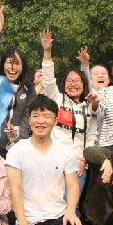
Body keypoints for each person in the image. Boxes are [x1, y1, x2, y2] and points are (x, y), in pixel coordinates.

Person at [6, 95, 86, 225]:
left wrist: (70, 212)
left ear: (55, 120)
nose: (41, 121)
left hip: (57, 219)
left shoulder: (64, 152)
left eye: (47, 116)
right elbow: (15, 190)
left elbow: (73, 185)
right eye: (36, 116)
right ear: (30, 119)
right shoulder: (17, 150)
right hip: (31, 222)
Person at [39, 29, 99, 184]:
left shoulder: (89, 106)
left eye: (77, 80)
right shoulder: (56, 99)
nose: (73, 84)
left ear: (83, 84)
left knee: (73, 205)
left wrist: (84, 160)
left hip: (78, 164)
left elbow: (92, 136)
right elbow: (48, 80)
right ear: (63, 84)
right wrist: (47, 51)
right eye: (69, 81)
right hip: (53, 161)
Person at [0, 1, 36, 155]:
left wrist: (18, 138)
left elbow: (28, 116)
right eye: (9, 62)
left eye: (17, 63)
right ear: (3, 65)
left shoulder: (28, 89)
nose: (13, 67)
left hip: (19, 146)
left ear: (23, 67)